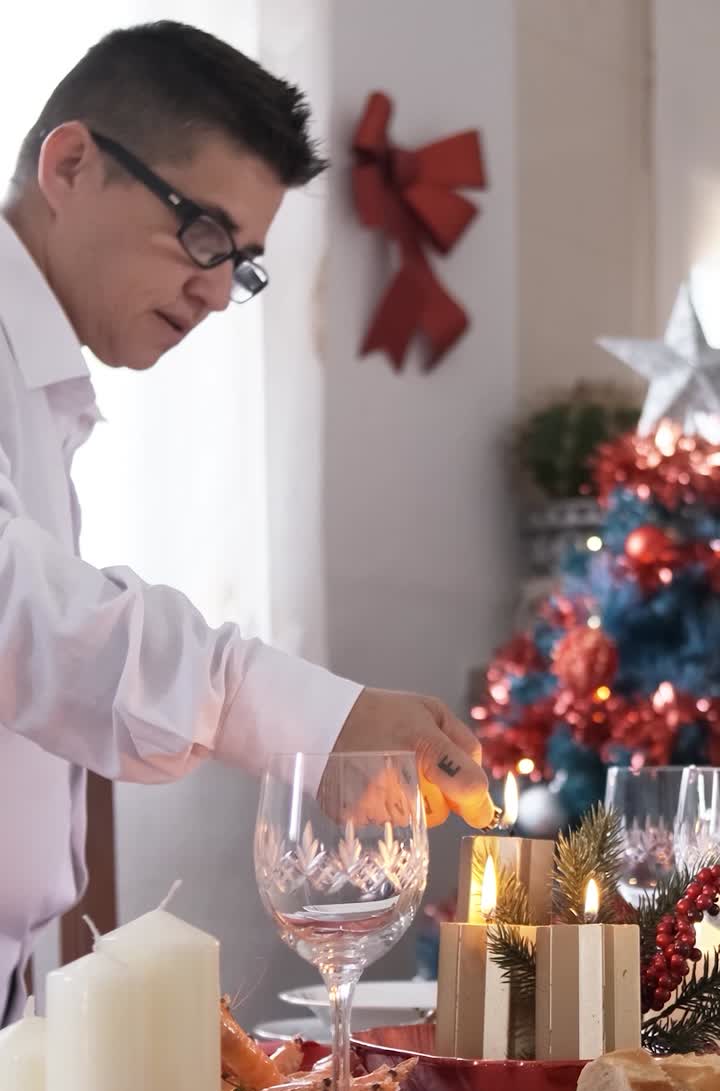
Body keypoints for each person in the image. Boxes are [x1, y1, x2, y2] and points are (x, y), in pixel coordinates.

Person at [0, 20, 492, 1025]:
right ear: (72, 163)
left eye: (245, 262)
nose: (220, 289)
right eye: (204, 233)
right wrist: (318, 719)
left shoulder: (41, 387)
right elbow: (19, 611)